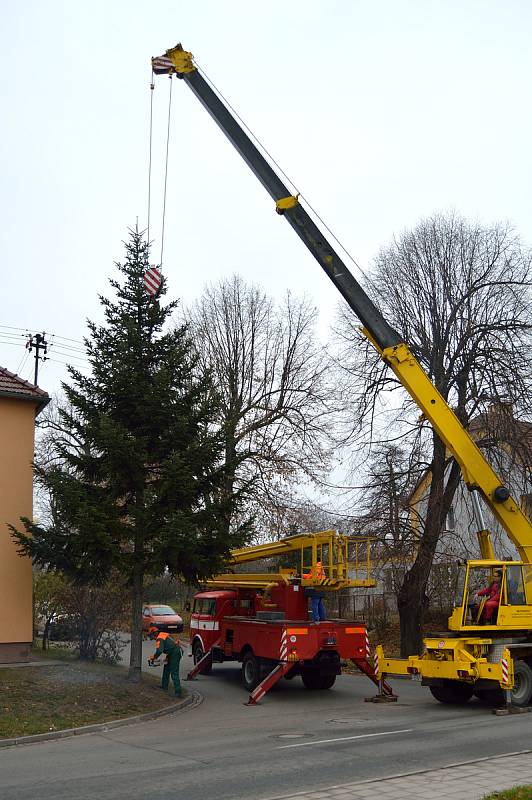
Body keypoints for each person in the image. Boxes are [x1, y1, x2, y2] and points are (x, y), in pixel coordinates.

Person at [148, 626, 183, 696]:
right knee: (166, 668)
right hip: (173, 652)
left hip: (175, 653)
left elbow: (159, 650)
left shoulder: (159, 638)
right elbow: (171, 645)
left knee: (174, 672)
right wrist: (167, 657)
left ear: (154, 634)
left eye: (152, 636)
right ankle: (164, 686)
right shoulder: (164, 634)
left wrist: (153, 658)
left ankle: (178, 692)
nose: (152, 638)